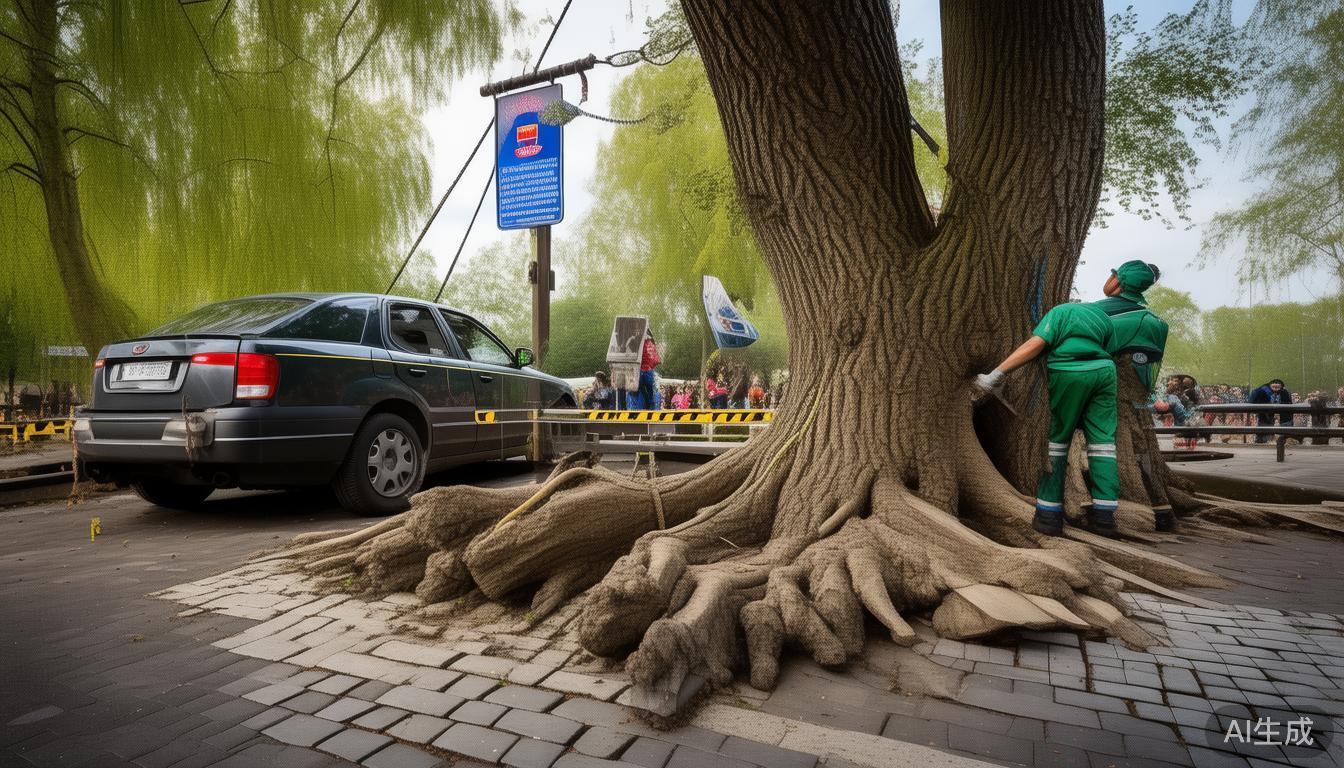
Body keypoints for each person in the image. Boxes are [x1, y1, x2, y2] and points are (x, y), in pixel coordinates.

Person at [975, 290, 1120, 538]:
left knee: (1058, 442)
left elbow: (1036, 343)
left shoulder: (1060, 312)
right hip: (1105, 373)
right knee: (1103, 444)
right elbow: (1111, 348)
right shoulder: (1103, 318)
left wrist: (996, 375)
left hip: (1069, 370)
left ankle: (1048, 516)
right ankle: (1105, 518)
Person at [1090, 260, 1173, 530]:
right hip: (1138, 393)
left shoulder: (1096, 313)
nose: (1109, 278)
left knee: (1099, 443)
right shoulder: (1155, 322)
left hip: (1104, 390)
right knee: (1141, 447)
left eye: (1112, 273)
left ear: (1118, 281)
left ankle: (1103, 511)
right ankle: (1161, 508)